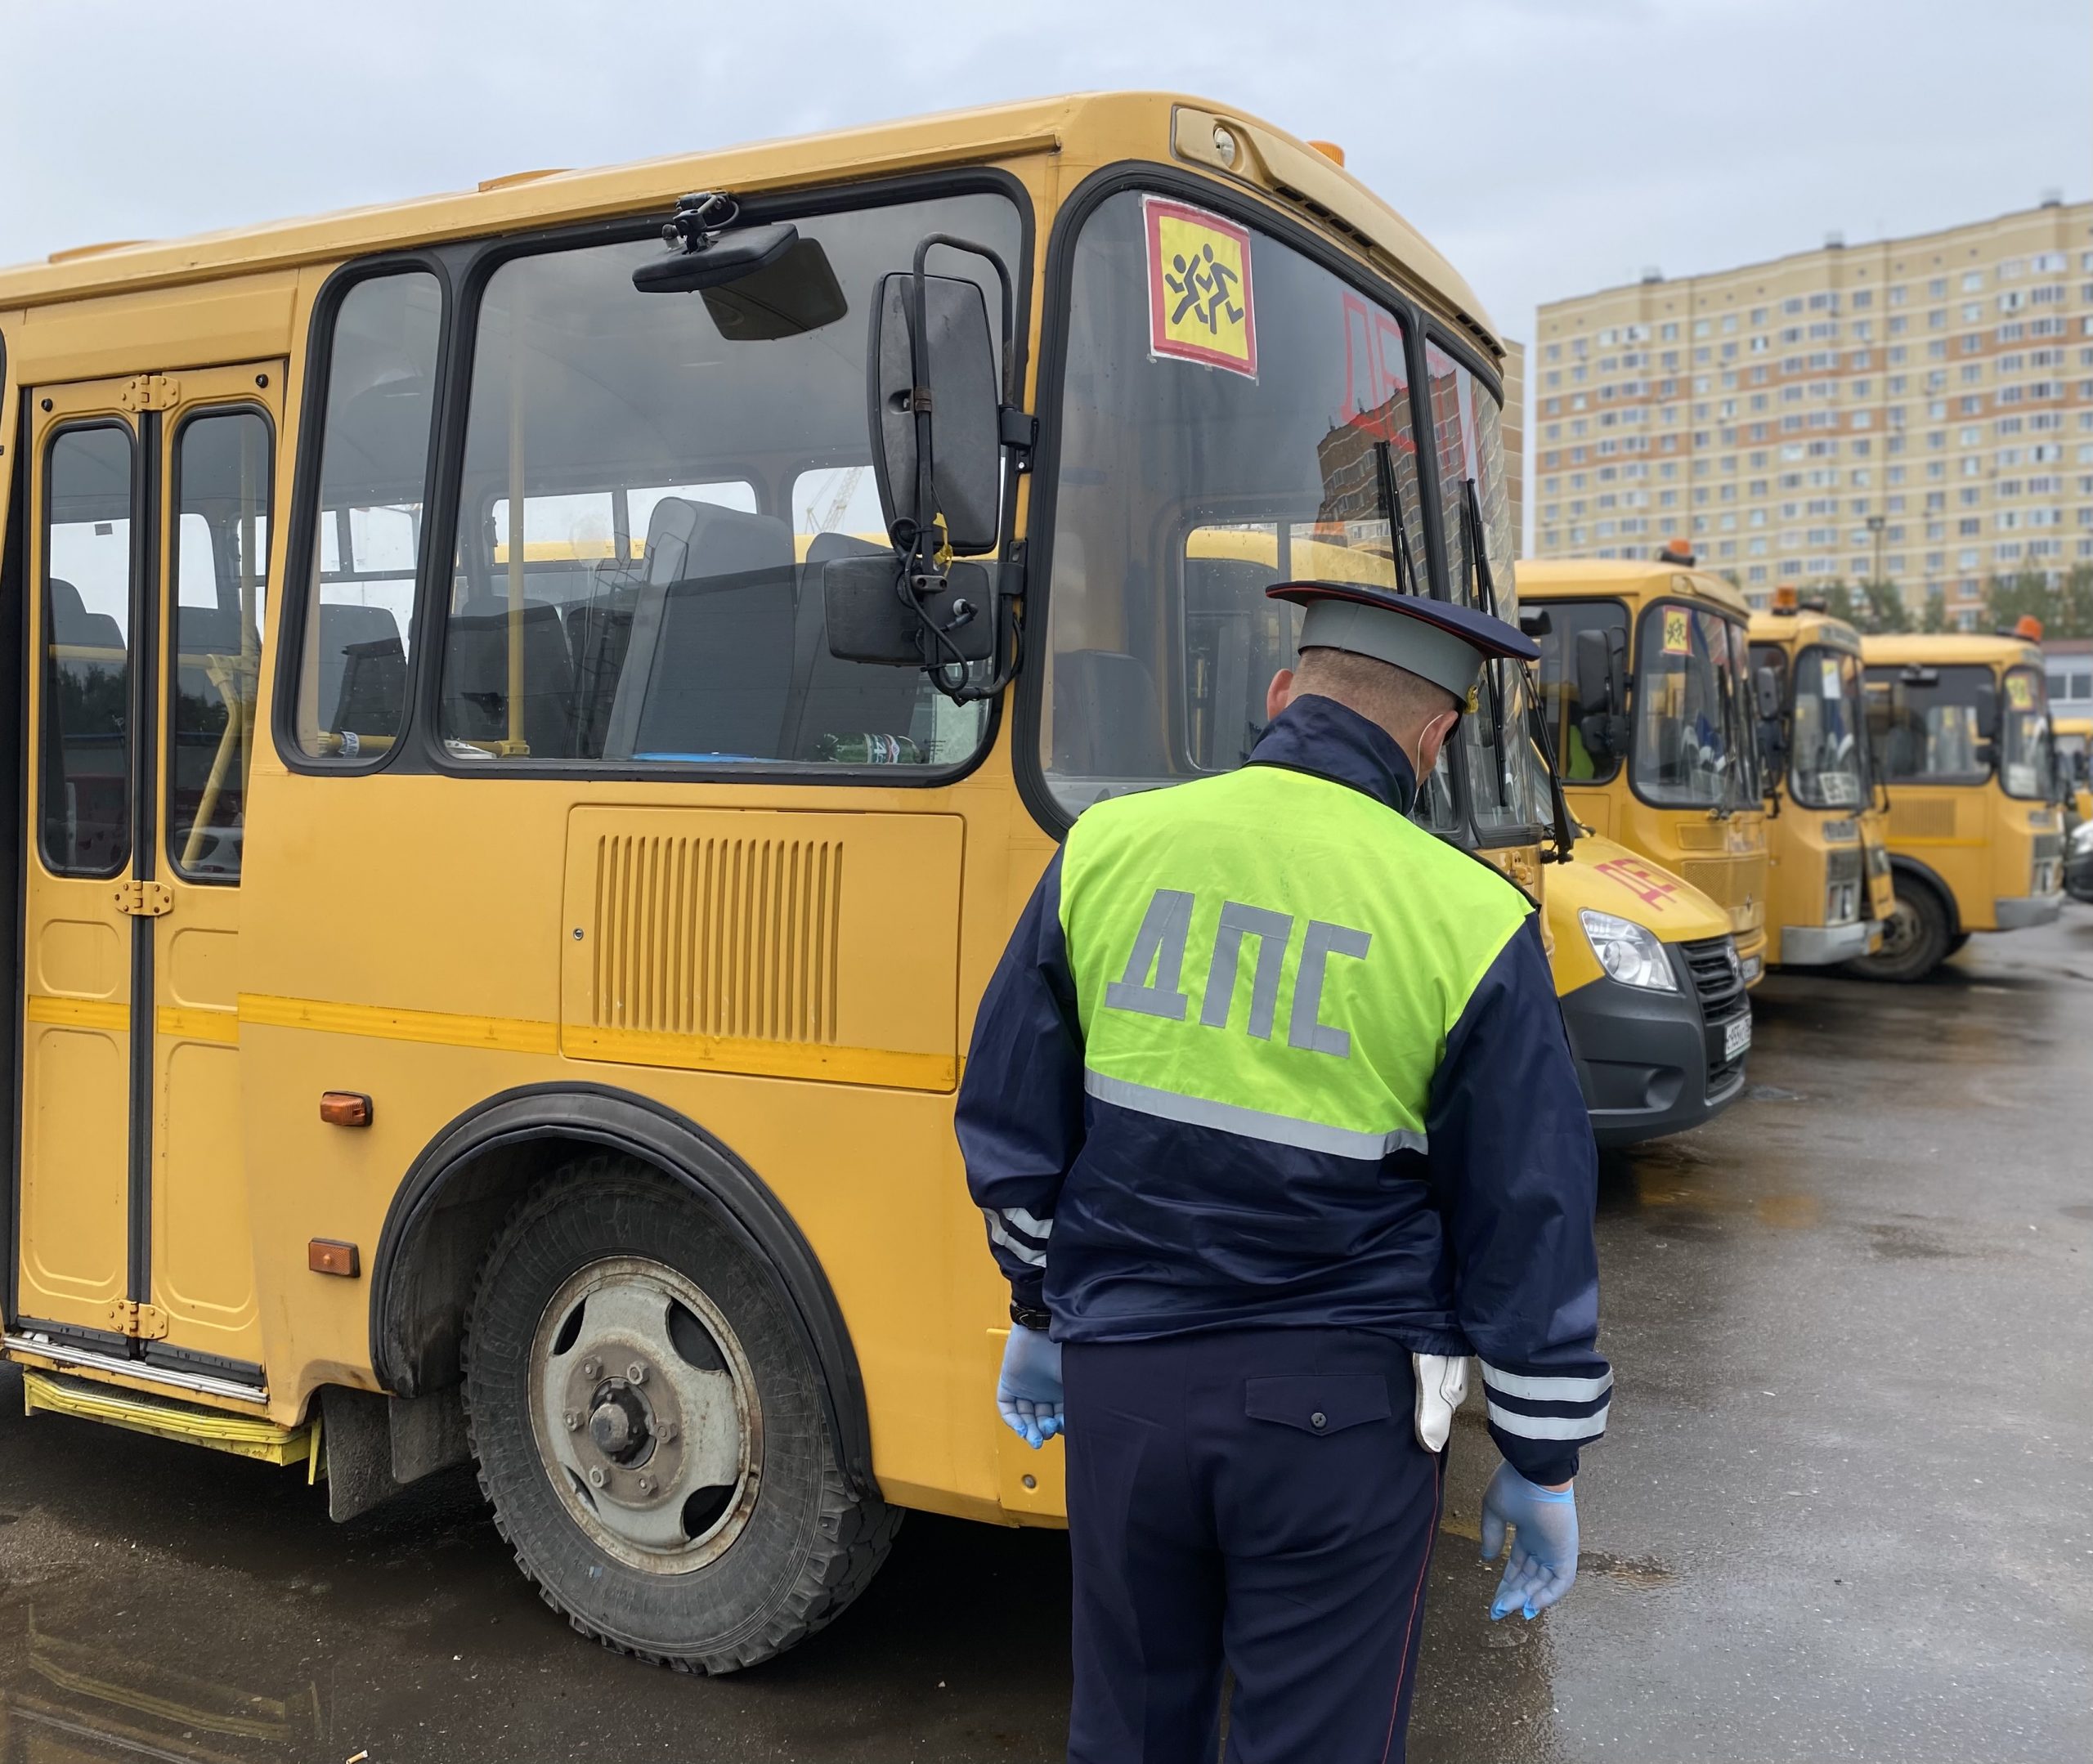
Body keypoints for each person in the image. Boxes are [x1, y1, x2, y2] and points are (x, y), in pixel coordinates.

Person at [957, 580, 1611, 1764]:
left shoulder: (1104, 850)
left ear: (1278, 695)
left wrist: (1038, 1309)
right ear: (1434, 739)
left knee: (1128, 1732)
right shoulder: (1470, 918)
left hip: (1127, 1389)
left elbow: (1011, 1118)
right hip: (1337, 1424)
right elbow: (1529, 1212)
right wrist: (1540, 1455)